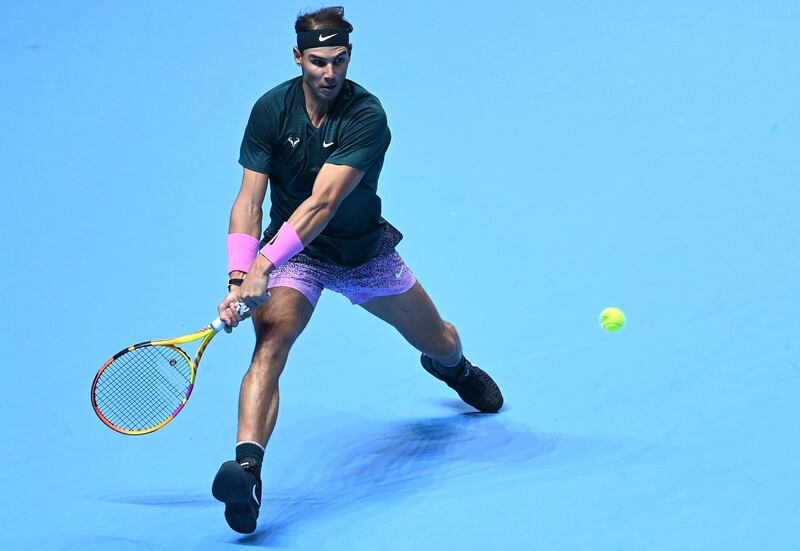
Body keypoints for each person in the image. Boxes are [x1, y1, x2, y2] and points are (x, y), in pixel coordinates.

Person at [211, 6, 503, 534]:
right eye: (318, 62)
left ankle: (453, 369)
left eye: (339, 61)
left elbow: (322, 204)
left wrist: (261, 264)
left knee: (438, 338)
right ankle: (248, 470)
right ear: (297, 57)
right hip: (295, 256)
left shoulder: (367, 115)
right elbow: (248, 200)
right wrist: (239, 277)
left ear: (350, 57)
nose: (329, 73)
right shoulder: (269, 110)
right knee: (270, 345)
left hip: (363, 254)